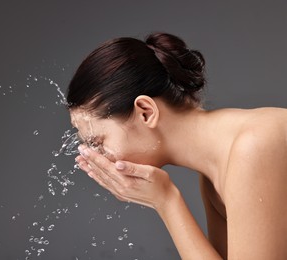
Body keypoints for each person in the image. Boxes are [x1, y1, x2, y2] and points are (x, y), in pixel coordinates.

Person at [66, 32, 287, 259]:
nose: (98, 156)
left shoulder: (254, 146)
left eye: (98, 141)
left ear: (146, 112)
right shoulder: (214, 175)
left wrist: (167, 202)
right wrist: (165, 200)